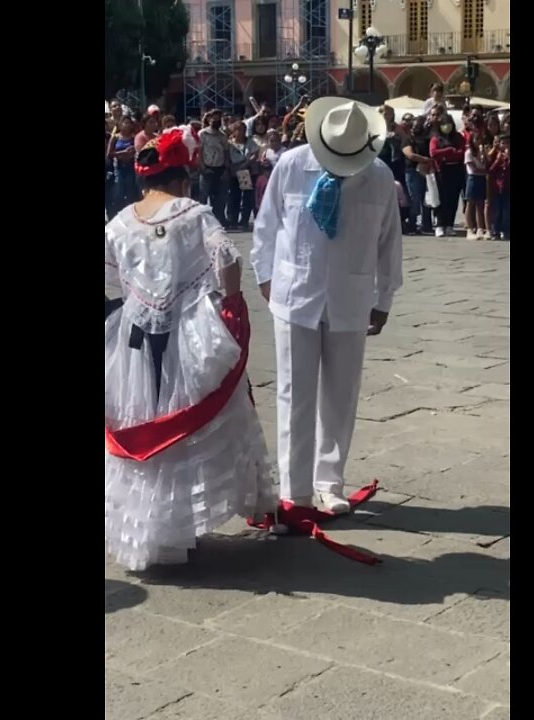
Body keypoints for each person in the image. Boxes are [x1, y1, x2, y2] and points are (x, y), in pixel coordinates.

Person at [105, 127, 277, 571]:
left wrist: (130, 301)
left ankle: (149, 531)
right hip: (185, 333)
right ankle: (178, 524)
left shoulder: (120, 221)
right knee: (189, 422)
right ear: (182, 177)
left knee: (141, 420)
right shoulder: (194, 212)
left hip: (134, 339)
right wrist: (230, 303)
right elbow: (228, 259)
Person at [251, 97, 403, 514]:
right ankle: (294, 488)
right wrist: (265, 275)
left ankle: (329, 481)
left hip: (351, 297)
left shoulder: (378, 178)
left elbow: (390, 242)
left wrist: (384, 296)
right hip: (295, 292)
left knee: (341, 395)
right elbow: (266, 225)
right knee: (293, 394)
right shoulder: (292, 165)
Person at [429, 108, 466, 237]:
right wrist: (449, 150)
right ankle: (440, 224)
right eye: (444, 124)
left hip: (456, 170)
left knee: (453, 198)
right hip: (442, 171)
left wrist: (446, 154)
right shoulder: (436, 138)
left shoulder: (458, 137)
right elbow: (433, 153)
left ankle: (449, 224)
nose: (446, 126)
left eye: (449, 123)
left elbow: (461, 153)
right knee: (441, 199)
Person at [401, 114, 434, 235]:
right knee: (414, 199)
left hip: (426, 172)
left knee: (427, 199)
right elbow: (410, 155)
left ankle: (426, 225)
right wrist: (425, 159)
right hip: (412, 172)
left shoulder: (427, 140)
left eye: (420, 125)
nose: (417, 128)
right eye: (415, 125)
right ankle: (412, 225)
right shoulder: (407, 139)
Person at [198, 110, 230, 226]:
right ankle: (201, 220)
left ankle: (218, 219)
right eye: (213, 118)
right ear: (209, 119)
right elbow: (199, 151)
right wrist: (202, 167)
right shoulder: (202, 134)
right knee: (203, 196)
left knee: (220, 197)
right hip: (206, 168)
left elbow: (226, 153)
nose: (215, 121)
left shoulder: (222, 136)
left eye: (218, 119)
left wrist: (226, 169)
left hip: (219, 168)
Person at [226, 121, 257, 231]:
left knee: (246, 197)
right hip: (233, 170)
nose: (240, 132)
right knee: (234, 196)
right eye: (237, 129)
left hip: (245, 170)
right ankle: (232, 219)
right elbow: (226, 156)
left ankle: (244, 220)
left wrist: (244, 165)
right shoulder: (230, 143)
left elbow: (254, 155)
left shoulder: (250, 142)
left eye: (242, 130)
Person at [107, 117, 140, 217]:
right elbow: (109, 154)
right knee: (119, 192)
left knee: (130, 192)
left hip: (130, 167)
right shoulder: (115, 137)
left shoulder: (134, 137)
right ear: (120, 125)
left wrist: (133, 150)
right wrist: (123, 153)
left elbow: (138, 149)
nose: (127, 125)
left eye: (129, 123)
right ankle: (116, 213)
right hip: (119, 168)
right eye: (125, 123)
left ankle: (130, 214)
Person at [463, 134, 488, 240]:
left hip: (482, 179)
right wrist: (485, 171)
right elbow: (474, 168)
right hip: (473, 178)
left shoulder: (482, 152)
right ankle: (470, 228)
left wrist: (483, 153)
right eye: (476, 139)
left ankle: (480, 228)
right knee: (470, 203)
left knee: (480, 204)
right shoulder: (468, 153)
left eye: (480, 139)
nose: (478, 141)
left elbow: (485, 163)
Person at [487, 134, 510, 241]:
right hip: (498, 187)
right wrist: (497, 160)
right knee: (496, 210)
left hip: (508, 188)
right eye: (503, 143)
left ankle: (505, 231)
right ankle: (495, 230)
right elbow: (490, 170)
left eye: (508, 143)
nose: (506, 146)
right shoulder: (496, 156)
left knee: (506, 211)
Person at [254, 130, 283, 213]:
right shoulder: (266, 152)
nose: (273, 143)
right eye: (271, 141)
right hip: (268, 179)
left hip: (279, 179)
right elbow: (261, 164)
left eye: (276, 141)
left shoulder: (284, 152)